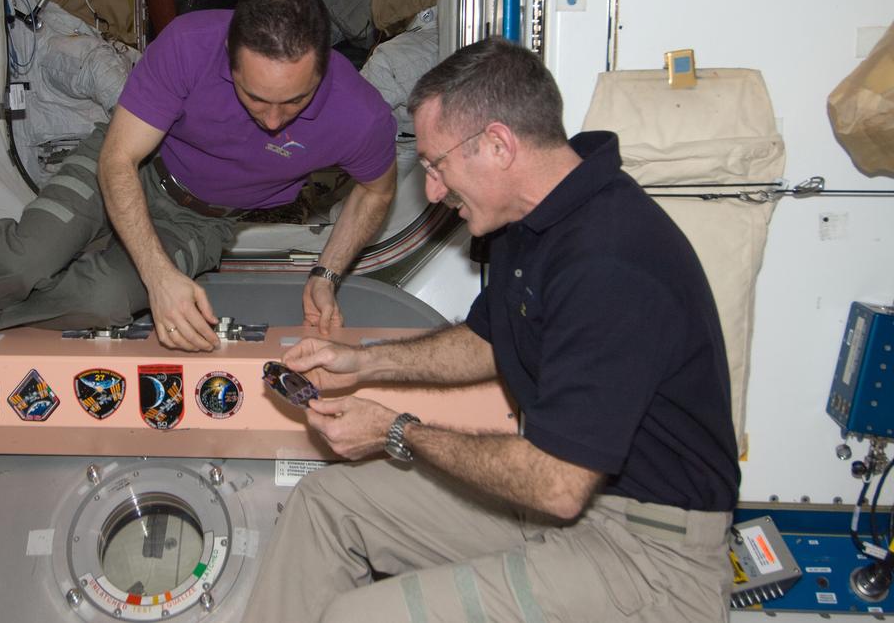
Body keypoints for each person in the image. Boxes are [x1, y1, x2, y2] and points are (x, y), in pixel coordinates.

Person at [242, 37, 740, 622]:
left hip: (650, 557)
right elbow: (488, 340)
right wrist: (364, 361)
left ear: (498, 145)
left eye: (436, 165)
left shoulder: (610, 260)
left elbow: (556, 483)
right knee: (325, 505)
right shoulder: (530, 221)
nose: (432, 189)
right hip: (570, 512)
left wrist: (398, 430)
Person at [0, 0, 397, 350]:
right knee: (21, 263)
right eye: (255, 97)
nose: (273, 121)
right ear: (228, 60)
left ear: (323, 69)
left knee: (102, 300)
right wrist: (158, 277)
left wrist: (326, 275)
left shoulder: (361, 116)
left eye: (294, 100)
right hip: (134, 166)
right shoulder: (190, 44)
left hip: (199, 220)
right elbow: (119, 158)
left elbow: (376, 190)